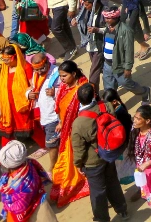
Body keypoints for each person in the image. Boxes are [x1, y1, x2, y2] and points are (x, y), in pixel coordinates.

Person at [72, 82, 128, 222]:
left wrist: (78, 164)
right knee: (112, 182)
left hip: (93, 161)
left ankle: (101, 218)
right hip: (109, 153)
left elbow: (79, 148)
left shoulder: (79, 123)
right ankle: (122, 210)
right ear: (94, 95)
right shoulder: (106, 106)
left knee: (98, 192)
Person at [49, 60, 90, 208]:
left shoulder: (83, 89)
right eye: (60, 76)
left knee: (70, 160)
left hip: (77, 132)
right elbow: (62, 108)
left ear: (74, 73)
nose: (62, 79)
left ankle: (70, 187)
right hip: (67, 130)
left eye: (64, 76)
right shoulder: (65, 88)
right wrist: (61, 122)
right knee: (65, 160)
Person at [0, 140, 57, 222]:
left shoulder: (10, 184)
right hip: (42, 206)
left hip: (30, 215)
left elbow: (16, 209)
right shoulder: (30, 163)